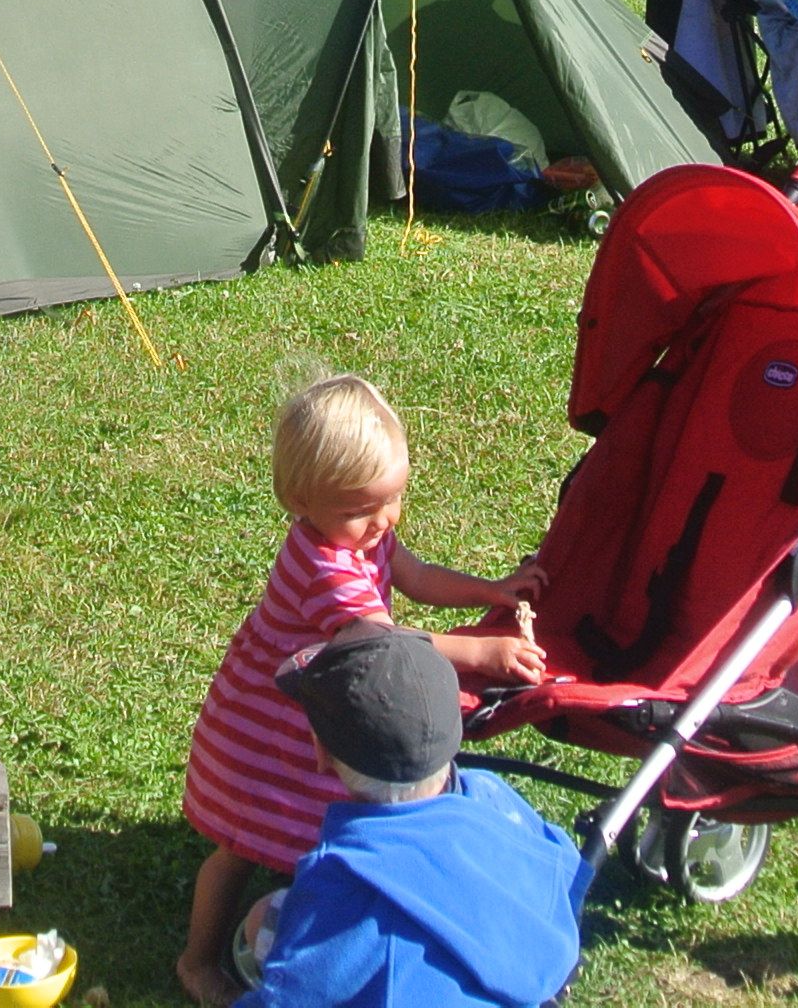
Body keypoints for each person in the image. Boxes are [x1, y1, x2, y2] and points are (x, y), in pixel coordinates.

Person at [178, 374, 545, 1008]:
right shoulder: (322, 568)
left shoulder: (360, 535)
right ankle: (198, 959)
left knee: (311, 828)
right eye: (360, 510)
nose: (382, 522)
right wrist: (482, 651)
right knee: (238, 843)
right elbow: (386, 647)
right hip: (271, 726)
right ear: (299, 500)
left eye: (393, 500)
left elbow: (416, 575)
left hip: (319, 711)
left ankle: (307, 926)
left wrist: (488, 590)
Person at [250, 625, 588, 1008]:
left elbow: (293, 997)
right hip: (529, 981)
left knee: (261, 920)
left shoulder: (342, 894)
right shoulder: (491, 795)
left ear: (321, 751)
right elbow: (567, 875)